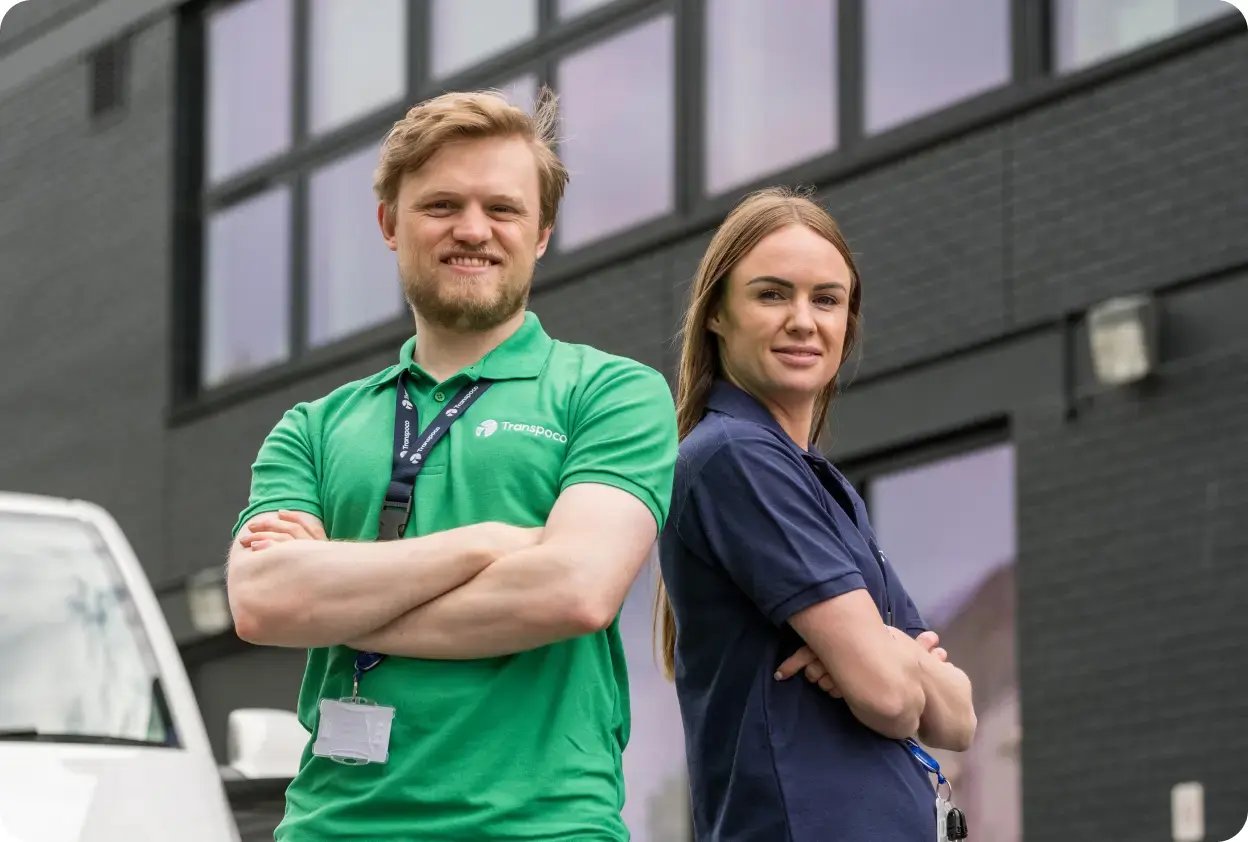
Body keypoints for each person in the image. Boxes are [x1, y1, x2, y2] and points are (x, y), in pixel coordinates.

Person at [226, 89, 678, 841]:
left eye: (502, 209)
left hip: (543, 826)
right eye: (441, 206)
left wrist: (341, 598)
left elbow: (574, 591)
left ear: (540, 234)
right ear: (389, 225)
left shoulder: (610, 393)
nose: (473, 230)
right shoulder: (313, 427)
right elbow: (264, 603)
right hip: (333, 827)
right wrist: (491, 544)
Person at [656, 187, 977, 841]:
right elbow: (891, 701)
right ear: (717, 313)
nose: (804, 320)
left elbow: (959, 719)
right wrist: (892, 666)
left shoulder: (818, 481)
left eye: (825, 299)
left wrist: (885, 653)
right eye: (772, 294)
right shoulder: (735, 457)